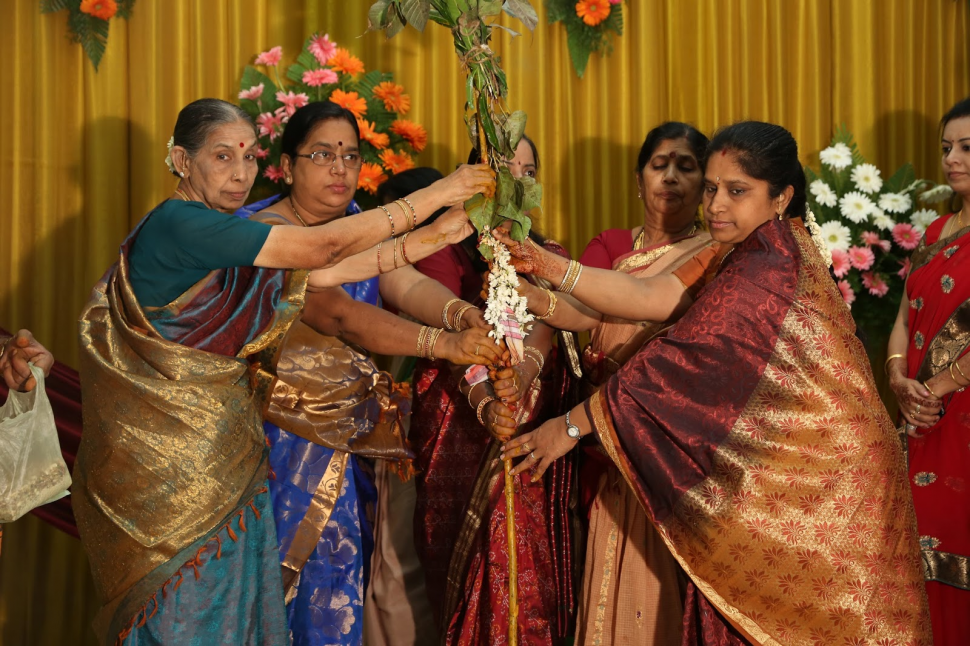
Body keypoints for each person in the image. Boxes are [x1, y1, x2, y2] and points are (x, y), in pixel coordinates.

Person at [72, 97, 493, 645]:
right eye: (222, 157)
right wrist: (440, 194)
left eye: (247, 157)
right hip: (179, 481)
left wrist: (440, 234)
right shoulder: (182, 224)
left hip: (227, 468)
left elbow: (327, 272)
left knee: (236, 619)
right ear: (180, 160)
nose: (240, 173)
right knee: (187, 621)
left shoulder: (218, 231)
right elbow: (325, 252)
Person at [498, 121, 931, 644]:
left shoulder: (765, 268)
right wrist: (548, 268)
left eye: (736, 191)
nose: (715, 204)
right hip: (805, 476)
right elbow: (660, 297)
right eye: (712, 189)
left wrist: (566, 427)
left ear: (782, 197)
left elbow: (671, 365)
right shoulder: (762, 249)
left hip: (822, 481)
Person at [249, 102, 500, 646]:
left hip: (353, 440)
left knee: (342, 587)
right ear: (288, 166)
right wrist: (444, 343)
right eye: (322, 154)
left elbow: (404, 281)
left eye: (350, 155)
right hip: (277, 444)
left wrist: (458, 312)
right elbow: (341, 315)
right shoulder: (266, 231)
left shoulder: (357, 221)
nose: (340, 168)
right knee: (277, 589)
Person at [510, 122, 719, 644]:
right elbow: (580, 311)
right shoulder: (613, 246)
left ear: (705, 184)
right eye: (659, 165)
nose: (670, 178)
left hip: (674, 440)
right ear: (638, 178)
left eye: (686, 166)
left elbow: (661, 314)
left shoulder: (718, 254)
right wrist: (520, 292)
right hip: (605, 433)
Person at [411, 135, 579, 645]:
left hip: (533, 422)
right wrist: (486, 395)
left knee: (533, 562)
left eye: (527, 171)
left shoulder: (548, 254)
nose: (514, 182)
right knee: (467, 567)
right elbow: (447, 332)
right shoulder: (443, 245)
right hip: (460, 424)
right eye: (502, 169)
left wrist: (524, 373)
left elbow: (551, 320)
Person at [887, 95, 970, 644]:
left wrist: (939, 386)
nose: (952, 158)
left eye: (967, 147)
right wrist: (897, 376)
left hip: (959, 419)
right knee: (910, 555)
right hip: (919, 420)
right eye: (947, 148)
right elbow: (902, 317)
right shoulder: (935, 231)